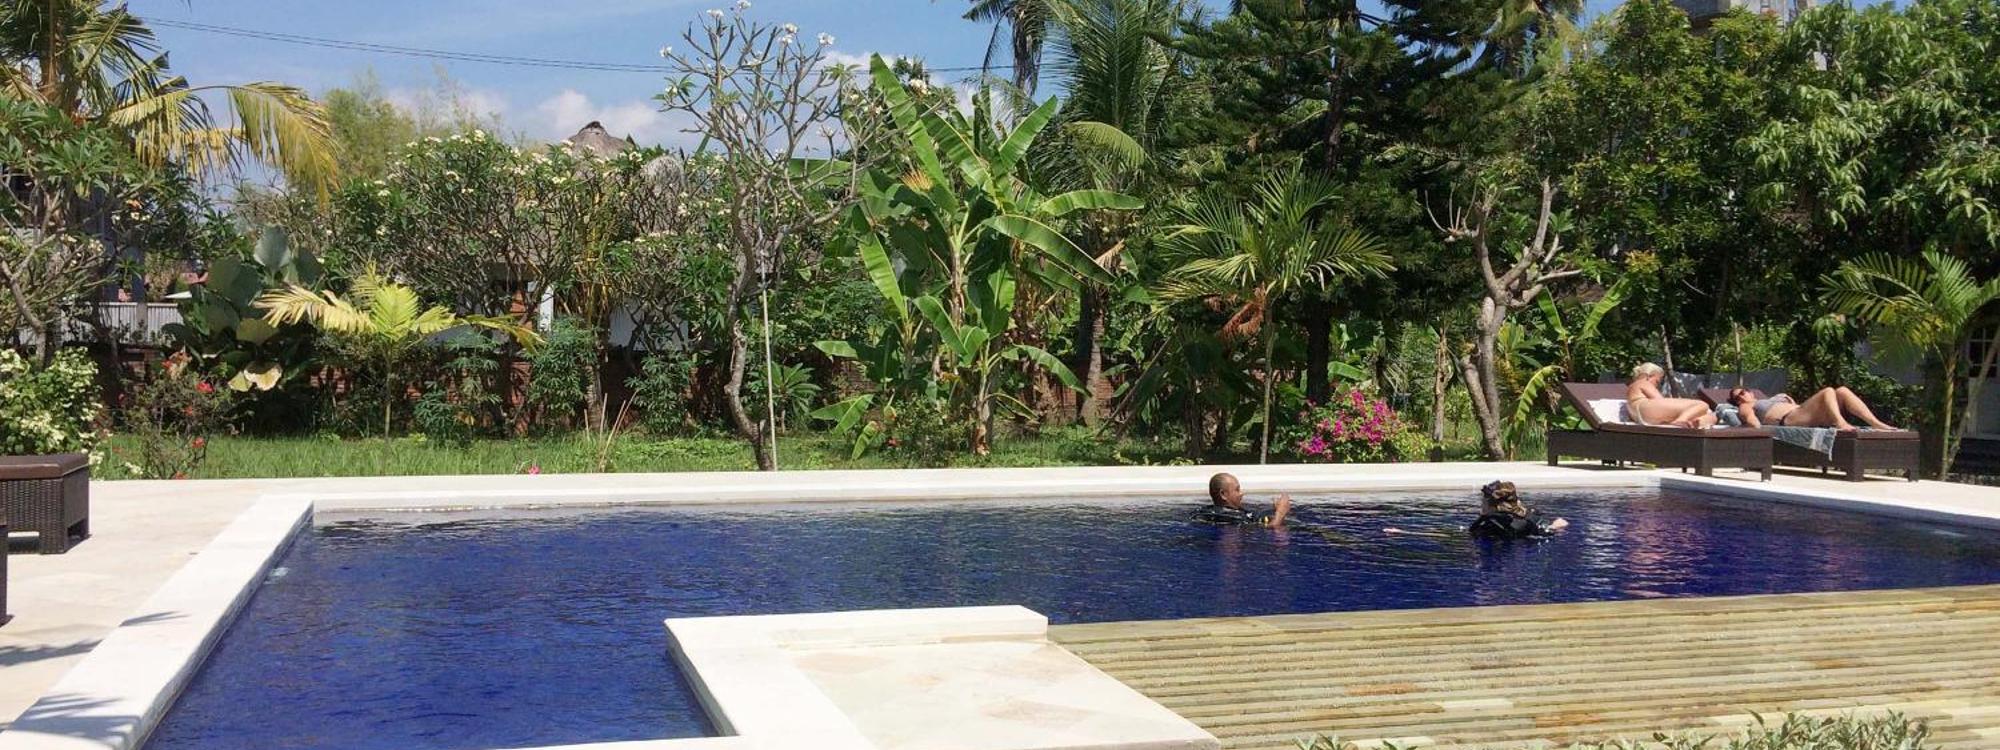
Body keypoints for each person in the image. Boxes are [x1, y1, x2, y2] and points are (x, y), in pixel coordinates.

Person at [1728, 386, 1897, 432]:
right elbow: (1751, 422)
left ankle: (1876, 423)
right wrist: (1750, 424)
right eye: (1737, 398)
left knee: (1842, 391)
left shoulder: (1771, 398)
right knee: (1828, 391)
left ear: (1750, 392)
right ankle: (1840, 423)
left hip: (1804, 413)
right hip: (1789, 419)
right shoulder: (1746, 405)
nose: (1741, 397)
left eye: (1742, 392)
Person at [1467, 480, 1568, 540]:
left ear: (1491, 505)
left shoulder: (1489, 524)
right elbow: (1562, 522)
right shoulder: (1529, 514)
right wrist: (1552, 527)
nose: (1481, 503)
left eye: (1483, 500)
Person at [1627, 362, 1716, 428]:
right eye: (1657, 381)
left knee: (1710, 416)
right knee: (1702, 405)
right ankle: (1680, 420)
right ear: (1648, 376)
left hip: (1642, 415)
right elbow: (1660, 400)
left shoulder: (1633, 387)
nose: (1657, 385)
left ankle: (1696, 422)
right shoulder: (1643, 382)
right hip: (1645, 409)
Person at [1194, 472, 1292, 527]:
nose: (1241, 493)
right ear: (1223, 494)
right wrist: (1280, 512)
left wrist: (1274, 509)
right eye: (1237, 490)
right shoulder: (1226, 517)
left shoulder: (1211, 511)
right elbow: (1271, 528)